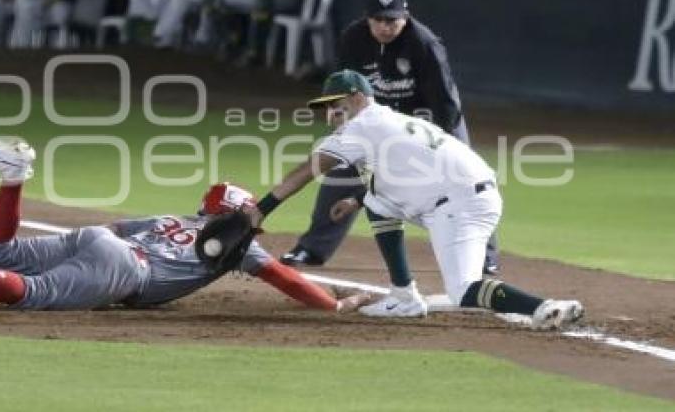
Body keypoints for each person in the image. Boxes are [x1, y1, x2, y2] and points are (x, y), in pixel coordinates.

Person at [248, 70, 584, 329]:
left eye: (338, 104)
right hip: (467, 193)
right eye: (325, 108)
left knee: (464, 291)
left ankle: (543, 307)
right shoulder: (391, 120)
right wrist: (358, 199)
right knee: (377, 201)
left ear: (359, 97)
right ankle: (403, 296)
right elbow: (403, 172)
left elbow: (306, 171)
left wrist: (260, 210)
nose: (331, 113)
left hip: (459, 206)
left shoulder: (360, 127)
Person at [0, 137, 369, 313]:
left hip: (101, 239)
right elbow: (285, 277)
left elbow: (116, 228)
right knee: (39, 294)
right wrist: (331, 304)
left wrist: (85, 255)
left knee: (2, 254)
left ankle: (15, 178)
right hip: (126, 271)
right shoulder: (235, 244)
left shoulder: (172, 219)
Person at [281, 0, 501, 275]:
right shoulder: (353, 38)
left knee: (463, 176)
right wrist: (343, 124)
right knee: (341, 167)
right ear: (367, 18)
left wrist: (446, 143)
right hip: (378, 116)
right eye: (379, 20)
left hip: (429, 116)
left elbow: (445, 100)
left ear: (405, 16)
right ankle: (312, 248)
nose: (385, 26)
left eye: (392, 20)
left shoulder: (424, 44)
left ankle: (485, 257)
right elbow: (344, 88)